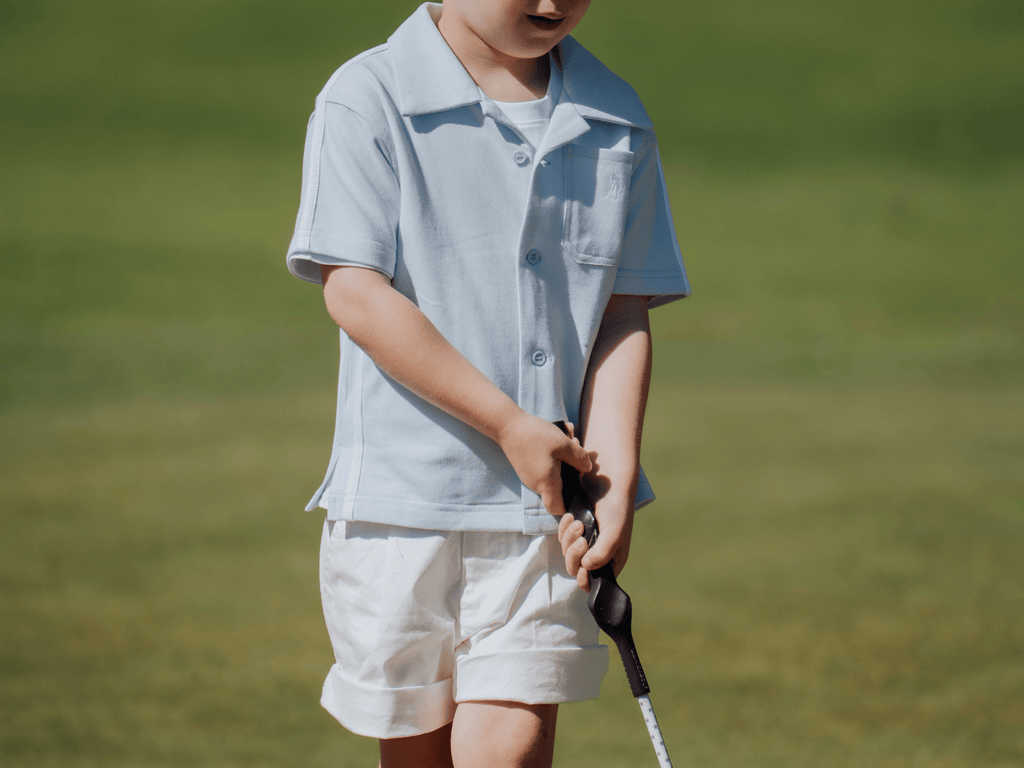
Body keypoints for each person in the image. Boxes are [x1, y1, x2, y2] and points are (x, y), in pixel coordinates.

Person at [285, 1, 689, 765]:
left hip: (549, 515)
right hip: (401, 509)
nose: (552, 3)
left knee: (508, 750)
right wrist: (508, 425)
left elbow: (622, 313)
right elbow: (355, 293)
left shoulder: (616, 115)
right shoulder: (367, 96)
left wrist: (614, 479)